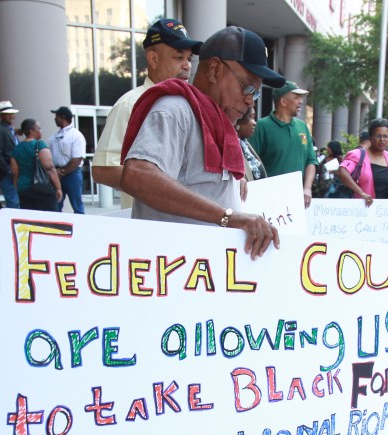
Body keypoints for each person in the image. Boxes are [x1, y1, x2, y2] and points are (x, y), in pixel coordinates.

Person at [119, 25, 283, 259]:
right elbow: (138, 175)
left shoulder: (218, 124)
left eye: (255, 93)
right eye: (247, 86)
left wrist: (234, 186)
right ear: (215, 69)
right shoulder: (175, 111)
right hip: (173, 274)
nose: (250, 100)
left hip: (202, 277)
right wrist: (229, 216)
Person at [92, 18, 202, 209]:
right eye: (178, 57)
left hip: (186, 225)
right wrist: (161, 188)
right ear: (153, 59)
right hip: (147, 227)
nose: (187, 65)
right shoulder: (129, 104)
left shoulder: (193, 105)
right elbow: (103, 169)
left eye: (189, 58)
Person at [248, 81, 318, 207]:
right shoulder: (261, 127)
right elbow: (250, 163)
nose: (300, 101)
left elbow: (311, 161)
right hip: (269, 201)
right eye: (296, 97)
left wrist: (307, 188)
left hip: (297, 200)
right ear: (283, 102)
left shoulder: (303, 127)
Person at [335, 118, 388, 207]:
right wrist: (362, 193)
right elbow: (342, 171)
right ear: (370, 137)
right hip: (361, 209)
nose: (382, 139)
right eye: (378, 136)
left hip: (383, 212)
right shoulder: (358, 154)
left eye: (385, 136)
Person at [10, 118, 62, 211]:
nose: (41, 131)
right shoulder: (39, 145)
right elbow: (50, 168)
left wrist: (16, 188)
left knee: (30, 220)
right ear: (31, 130)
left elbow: (15, 173)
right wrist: (58, 188)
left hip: (23, 189)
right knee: (49, 219)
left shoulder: (16, 149)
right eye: (39, 128)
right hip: (42, 187)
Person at [49, 106, 86, 214]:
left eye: (56, 116)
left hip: (72, 174)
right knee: (56, 205)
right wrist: (56, 172)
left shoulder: (76, 135)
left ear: (63, 117)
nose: (55, 119)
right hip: (57, 173)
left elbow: (77, 159)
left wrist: (63, 172)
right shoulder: (54, 137)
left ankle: (81, 227)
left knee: (77, 205)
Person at [0, 101, 20, 209]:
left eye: (12, 113)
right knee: (13, 201)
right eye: (8, 114)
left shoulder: (10, 130)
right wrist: (8, 170)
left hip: (14, 171)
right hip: (6, 172)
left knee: (16, 201)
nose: (11, 116)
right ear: (1, 115)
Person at [236, 107, 266, 182]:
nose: (254, 123)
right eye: (251, 117)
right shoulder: (231, 148)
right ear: (238, 122)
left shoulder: (245, 145)